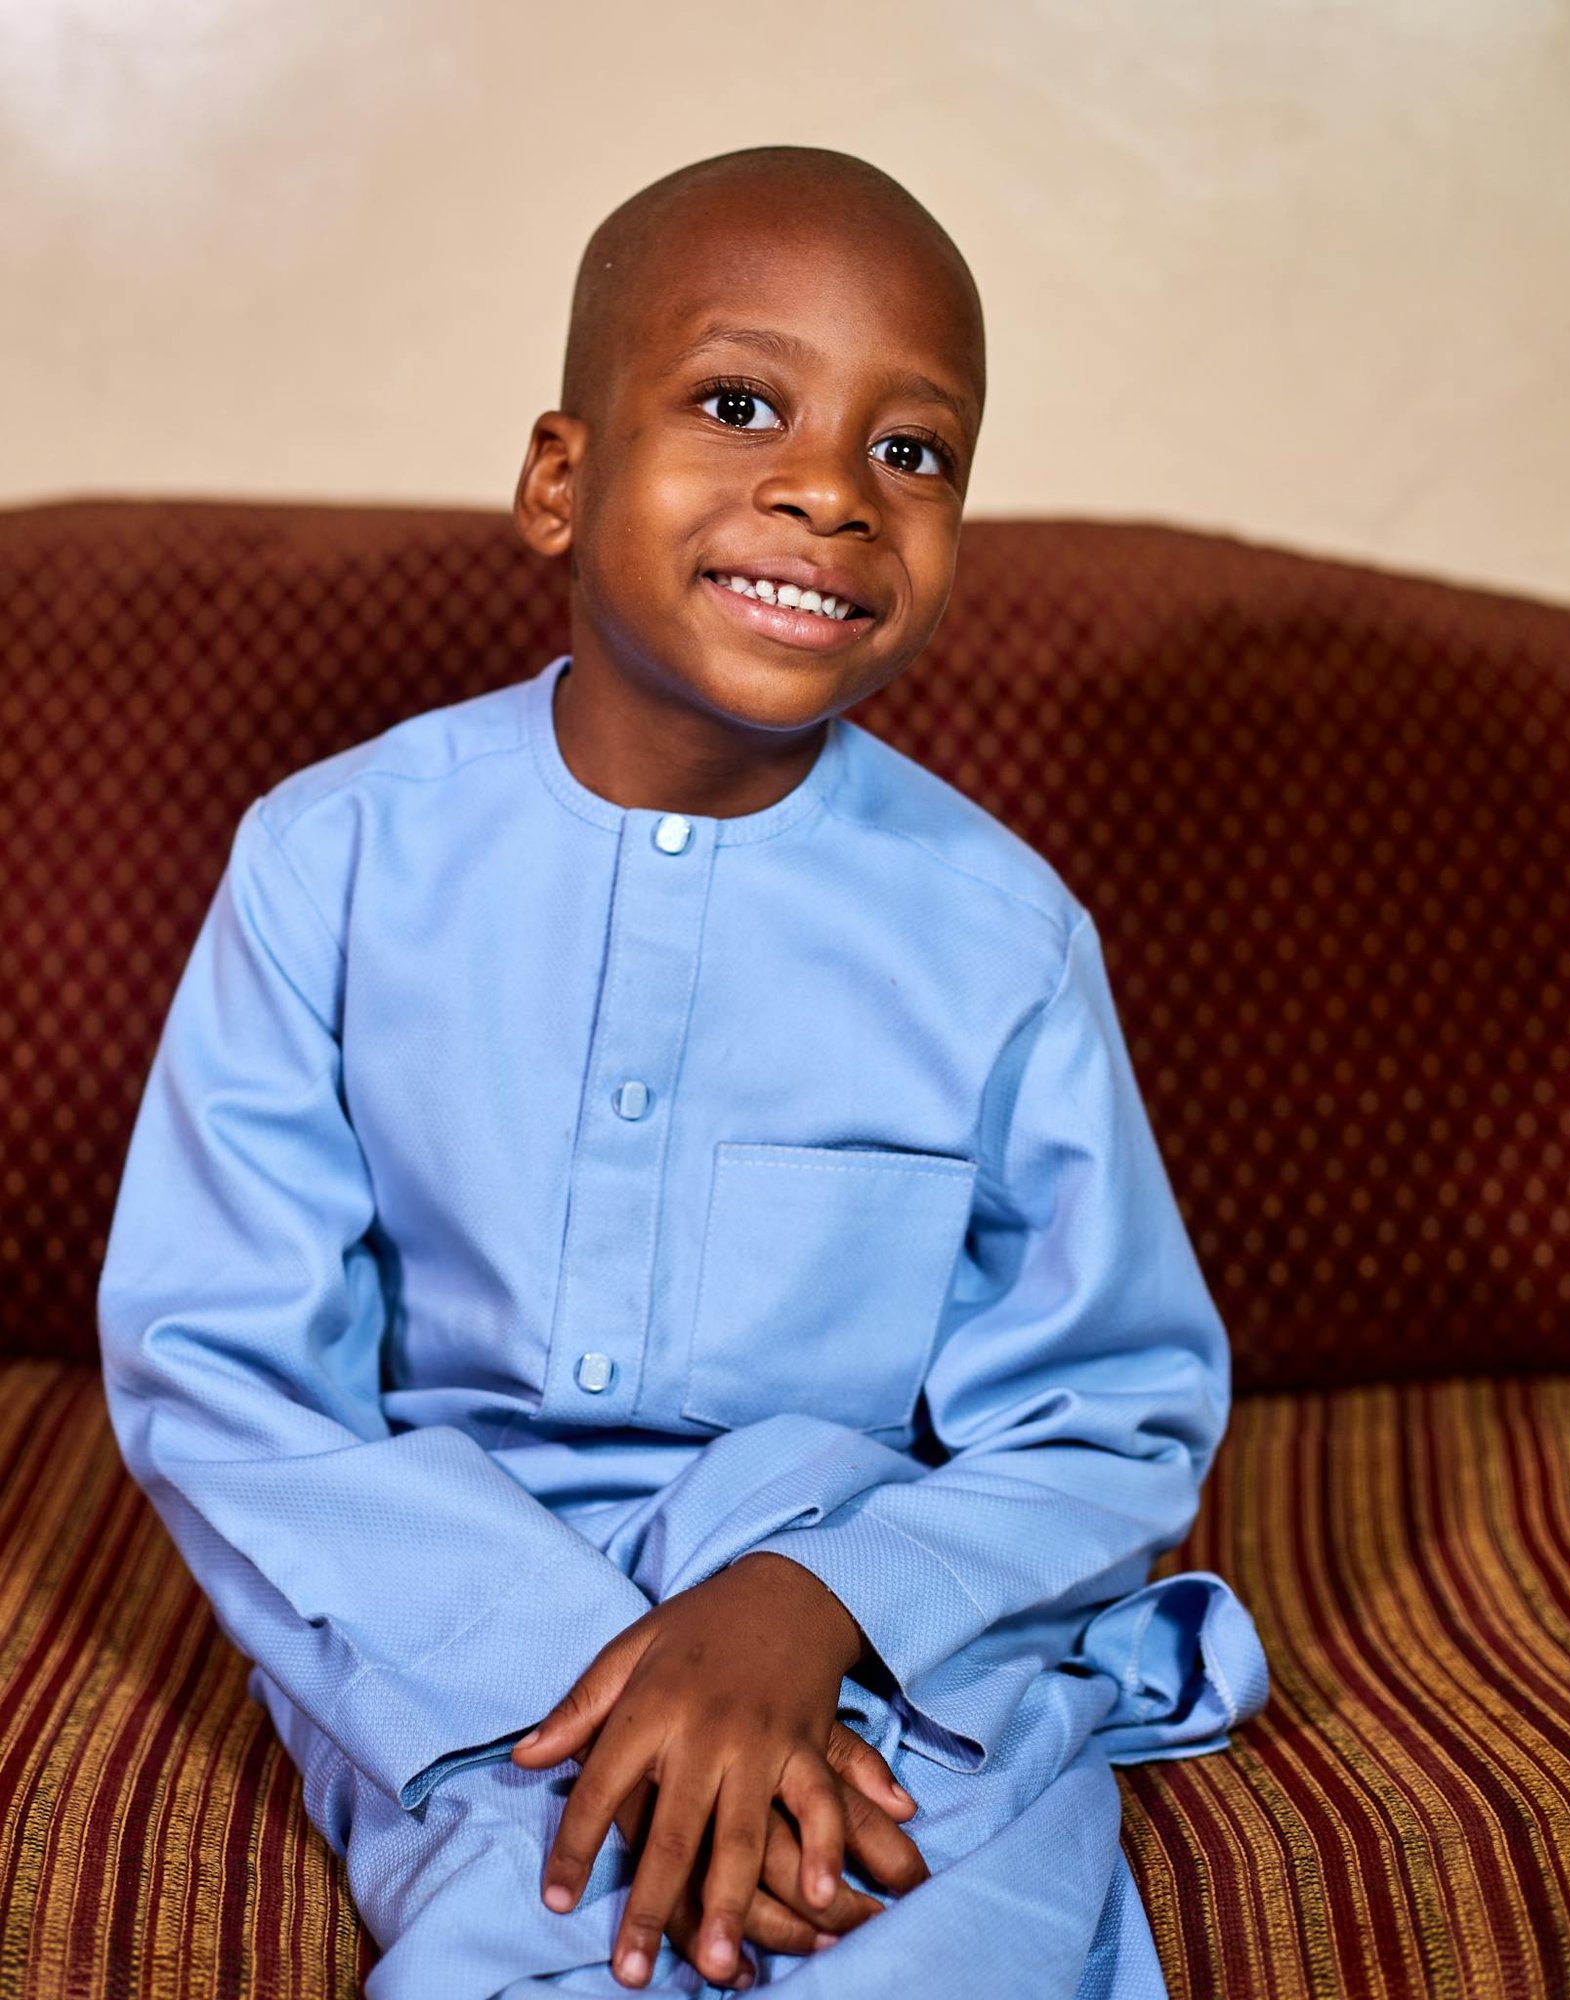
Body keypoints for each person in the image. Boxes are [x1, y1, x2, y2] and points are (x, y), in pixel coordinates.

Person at [96, 145, 1270, 1998]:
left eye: (916, 451)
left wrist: (818, 1616)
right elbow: (220, 1373)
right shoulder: (332, 864)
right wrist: (599, 1676)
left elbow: (1113, 1412)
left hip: (867, 1613)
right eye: (741, 405)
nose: (830, 489)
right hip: (450, 1608)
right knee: (549, 1928)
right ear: (560, 482)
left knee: (941, 1908)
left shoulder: (1003, 937)